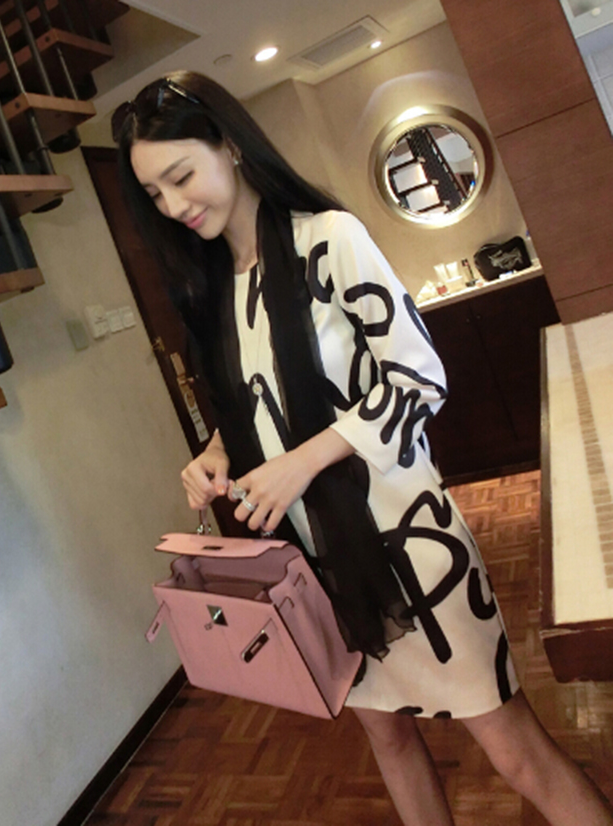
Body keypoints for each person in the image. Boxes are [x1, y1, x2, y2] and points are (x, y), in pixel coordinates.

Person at [113, 70, 613, 826]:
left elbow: (420, 377)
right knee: (390, 742)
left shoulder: (327, 241)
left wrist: (303, 460)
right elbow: (259, 399)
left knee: (514, 752)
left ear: (230, 146)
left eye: (181, 177)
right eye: (155, 194)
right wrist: (218, 450)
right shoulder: (214, 290)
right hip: (321, 572)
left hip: (411, 545)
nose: (175, 206)